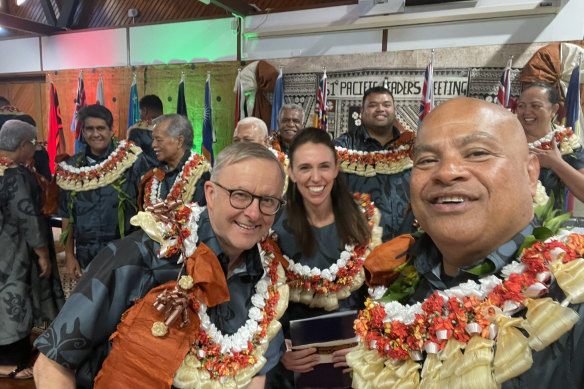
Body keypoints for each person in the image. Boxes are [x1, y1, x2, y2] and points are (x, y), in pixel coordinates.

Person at [347, 97, 584, 388]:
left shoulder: (575, 291)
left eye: (477, 153)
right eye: (427, 160)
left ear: (530, 172)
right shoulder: (392, 276)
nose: (446, 172)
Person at [33, 142, 289, 389]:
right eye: (240, 195)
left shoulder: (270, 279)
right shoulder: (140, 256)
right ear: (210, 193)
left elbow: (257, 371)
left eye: (268, 201)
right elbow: (51, 364)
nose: (254, 213)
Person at [268, 128, 379, 389]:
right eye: (305, 168)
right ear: (291, 172)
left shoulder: (365, 218)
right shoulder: (271, 225)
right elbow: (259, 302)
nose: (315, 177)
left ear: (336, 168)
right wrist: (279, 352)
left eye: (324, 166)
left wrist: (365, 344)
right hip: (290, 369)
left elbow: (381, 298)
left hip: (352, 362)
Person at [56, 104, 151, 280]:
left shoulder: (131, 160)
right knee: (92, 303)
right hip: (87, 254)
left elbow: (148, 205)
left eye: (101, 128)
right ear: (83, 132)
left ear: (111, 130)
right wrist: (69, 255)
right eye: (89, 129)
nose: (95, 134)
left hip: (126, 251)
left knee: (126, 304)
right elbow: (66, 216)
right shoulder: (71, 168)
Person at [0, 120, 63, 380]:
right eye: (34, 143)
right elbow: (28, 217)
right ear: (24, 144)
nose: (35, 149)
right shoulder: (14, 175)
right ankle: (7, 362)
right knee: (11, 299)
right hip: (12, 250)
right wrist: (43, 254)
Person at [334, 86, 415, 240]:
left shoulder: (411, 147)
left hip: (408, 244)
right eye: (372, 105)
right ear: (362, 112)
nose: (380, 109)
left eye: (386, 105)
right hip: (358, 245)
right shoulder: (340, 147)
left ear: (394, 110)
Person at [516, 82, 584, 210]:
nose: (526, 112)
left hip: (548, 228)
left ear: (554, 110)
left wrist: (556, 163)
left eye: (535, 106)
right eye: (521, 106)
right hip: (505, 226)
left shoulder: (565, 142)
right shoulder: (505, 139)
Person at [139, 114, 210, 210]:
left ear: (179, 141)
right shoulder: (153, 173)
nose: (153, 145)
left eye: (159, 140)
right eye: (153, 139)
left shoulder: (201, 175)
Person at [127, 94, 164, 166]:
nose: (140, 116)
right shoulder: (174, 130)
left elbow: (131, 161)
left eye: (139, 112)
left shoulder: (137, 132)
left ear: (144, 110)